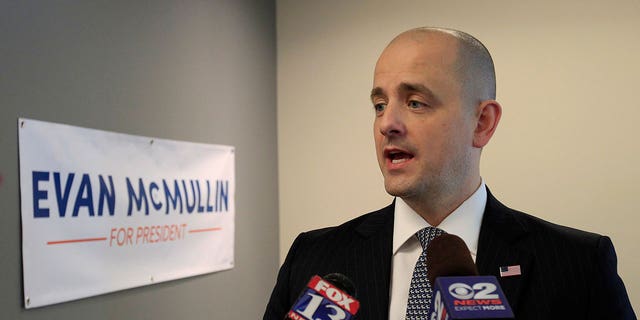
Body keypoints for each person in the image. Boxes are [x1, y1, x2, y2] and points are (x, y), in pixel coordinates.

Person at [264, 27, 636, 319]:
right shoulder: (313, 258)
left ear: (482, 122)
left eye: (415, 102)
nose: (387, 123)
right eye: (379, 104)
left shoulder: (578, 266)